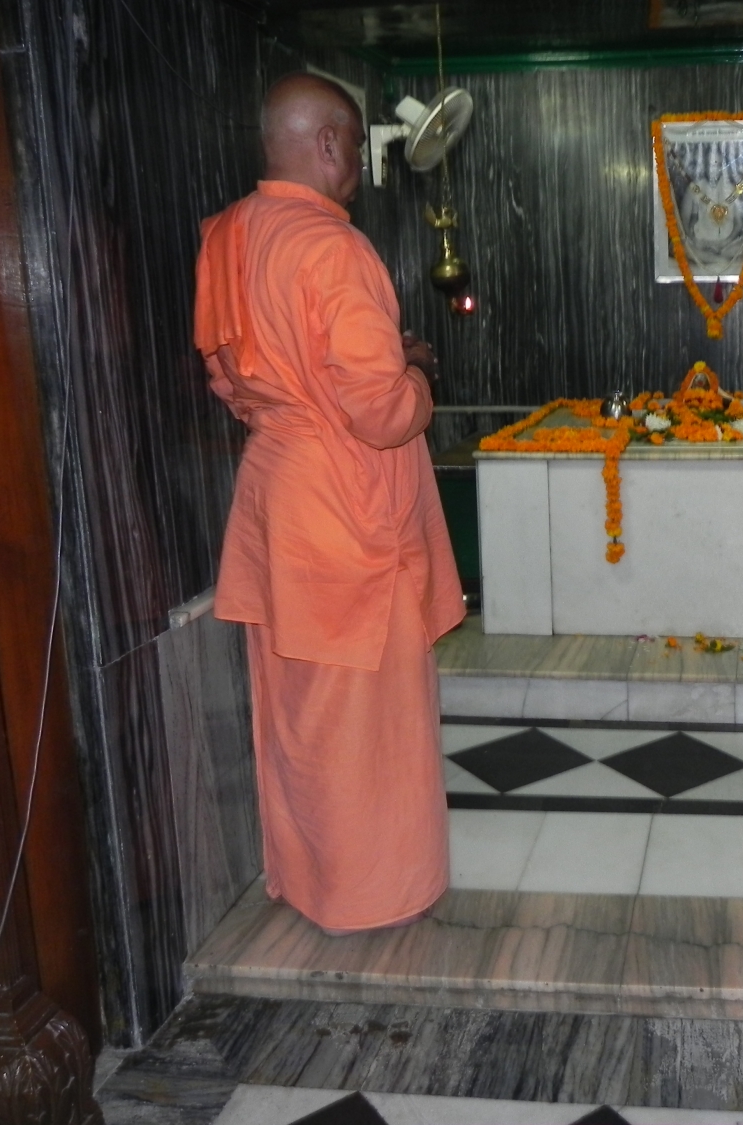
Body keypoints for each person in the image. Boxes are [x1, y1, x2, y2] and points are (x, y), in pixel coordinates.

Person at [193, 73, 464, 935]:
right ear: (326, 144)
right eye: (352, 146)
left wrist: (309, 398)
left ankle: (307, 877)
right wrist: (415, 374)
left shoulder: (226, 236)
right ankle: (373, 893)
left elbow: (230, 377)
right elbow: (379, 413)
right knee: (365, 711)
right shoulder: (334, 246)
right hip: (347, 505)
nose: (357, 168)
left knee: (296, 705)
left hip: (277, 488)